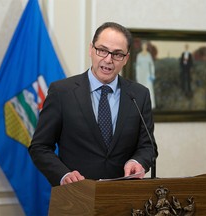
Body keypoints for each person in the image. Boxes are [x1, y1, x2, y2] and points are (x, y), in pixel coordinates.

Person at [28, 22, 158, 187]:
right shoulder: (62, 92)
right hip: (76, 196)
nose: (108, 59)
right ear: (91, 50)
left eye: (117, 54)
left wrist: (137, 161)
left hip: (124, 197)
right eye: (102, 50)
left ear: (126, 59)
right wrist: (63, 174)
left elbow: (148, 146)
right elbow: (39, 147)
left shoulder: (139, 95)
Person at [135, 40, 156, 109]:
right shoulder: (139, 55)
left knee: (149, 89)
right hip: (141, 75)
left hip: (147, 75)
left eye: (145, 45)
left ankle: (150, 105)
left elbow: (151, 65)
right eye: (143, 45)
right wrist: (137, 76)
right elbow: (137, 66)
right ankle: (141, 105)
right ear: (141, 46)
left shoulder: (149, 55)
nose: (144, 47)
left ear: (146, 46)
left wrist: (152, 75)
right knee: (141, 90)